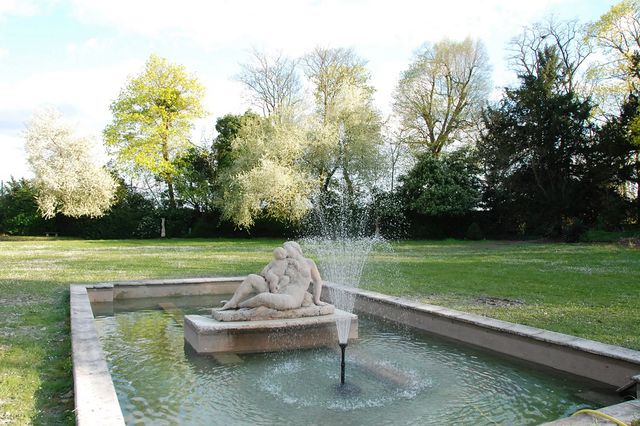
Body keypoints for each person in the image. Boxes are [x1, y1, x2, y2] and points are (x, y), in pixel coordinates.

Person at [219, 241, 326, 311]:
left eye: (286, 248)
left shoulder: (309, 262)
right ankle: (233, 302)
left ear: (295, 248)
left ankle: (239, 306)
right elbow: (266, 272)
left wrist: (317, 300)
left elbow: (317, 281)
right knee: (251, 277)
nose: (284, 251)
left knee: (262, 297)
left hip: (292, 298)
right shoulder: (284, 261)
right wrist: (270, 274)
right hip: (276, 290)